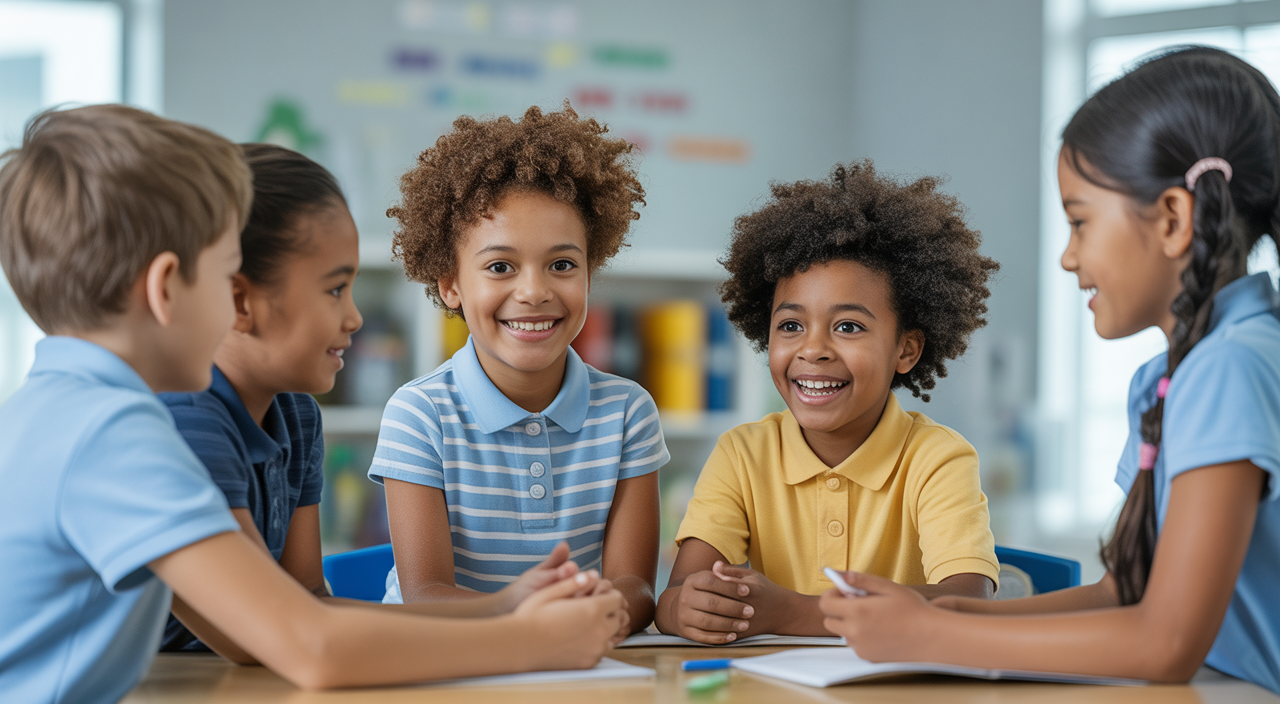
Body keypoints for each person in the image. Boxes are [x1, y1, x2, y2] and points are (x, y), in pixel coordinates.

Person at [0, 105, 625, 703]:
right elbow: (308, 646)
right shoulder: (115, 432)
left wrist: (507, 610)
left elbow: (290, 614)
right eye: (225, 278)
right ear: (168, 289)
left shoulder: (63, 411)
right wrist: (527, 641)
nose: (230, 309)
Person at [820, 47, 1280, 693]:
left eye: (1080, 222)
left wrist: (934, 637)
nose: (1068, 257)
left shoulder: (1230, 366)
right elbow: (1127, 594)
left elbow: (1166, 642)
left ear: (1175, 218)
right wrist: (955, 614)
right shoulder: (1176, 373)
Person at [159, 144, 589, 652]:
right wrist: (516, 633)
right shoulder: (182, 422)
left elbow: (307, 600)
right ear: (239, 301)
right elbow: (262, 641)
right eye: (335, 289)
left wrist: (510, 605)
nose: (355, 319)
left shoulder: (296, 416)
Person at [655, 160, 1001, 643]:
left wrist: (793, 613)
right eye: (791, 326)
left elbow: (967, 600)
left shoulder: (937, 458)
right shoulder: (742, 454)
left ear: (906, 349)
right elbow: (675, 597)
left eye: (848, 327)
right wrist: (686, 610)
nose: (813, 349)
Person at [370, 104, 667, 638]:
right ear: (450, 285)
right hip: (436, 661)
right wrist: (529, 618)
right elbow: (424, 594)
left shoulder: (628, 412)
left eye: (562, 265)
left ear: (590, 273)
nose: (533, 291)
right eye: (500, 266)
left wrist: (598, 612)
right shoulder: (419, 414)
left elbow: (636, 589)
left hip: (567, 661)